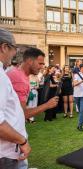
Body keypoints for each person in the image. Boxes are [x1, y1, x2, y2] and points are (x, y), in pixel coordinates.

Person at [0, 28, 31, 169]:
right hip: (6, 154)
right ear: (4, 47)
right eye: (14, 49)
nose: (14, 54)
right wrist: (22, 141)